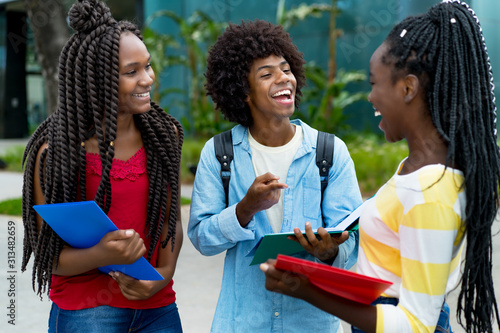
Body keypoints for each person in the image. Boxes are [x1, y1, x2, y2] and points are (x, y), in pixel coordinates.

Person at [261, 1, 500, 332]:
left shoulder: (430, 190)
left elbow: (416, 324)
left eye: (374, 83)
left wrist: (307, 290)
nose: (370, 97)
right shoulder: (416, 168)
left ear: (407, 88)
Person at [188, 19, 363, 332]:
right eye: (266, 74)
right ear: (244, 92)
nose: (284, 79)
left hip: (311, 323)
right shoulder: (219, 153)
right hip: (242, 322)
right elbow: (203, 239)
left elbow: (352, 239)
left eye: (286, 69)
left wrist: (330, 251)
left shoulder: (329, 152)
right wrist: (245, 209)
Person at [20, 0, 184, 332]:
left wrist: (162, 276)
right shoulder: (56, 154)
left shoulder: (162, 137)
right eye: (131, 71)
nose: (147, 79)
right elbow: (49, 258)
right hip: (88, 310)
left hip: (158, 307)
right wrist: (100, 253)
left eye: (147, 66)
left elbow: (172, 225)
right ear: (98, 80)